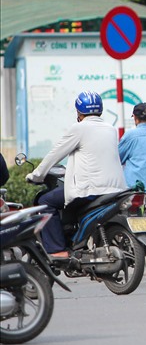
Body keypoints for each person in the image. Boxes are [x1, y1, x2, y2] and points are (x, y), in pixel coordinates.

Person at [26, 91, 127, 257]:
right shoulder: (111, 129)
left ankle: (57, 250)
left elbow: (55, 153)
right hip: (115, 189)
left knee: (45, 201)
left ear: (79, 112)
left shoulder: (79, 128)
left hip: (90, 190)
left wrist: (36, 175)